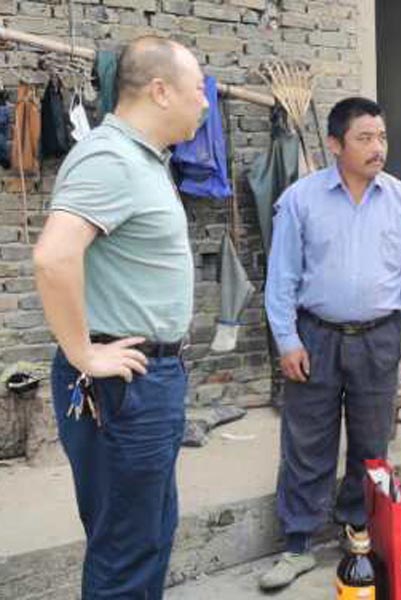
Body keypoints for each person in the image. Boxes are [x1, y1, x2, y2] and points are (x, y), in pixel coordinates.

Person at [33, 36, 207, 598]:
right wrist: (83, 352)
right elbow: (53, 257)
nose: (206, 102)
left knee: (148, 534)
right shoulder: (109, 158)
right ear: (161, 91)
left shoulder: (144, 160)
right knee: (127, 549)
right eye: (198, 89)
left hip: (147, 380)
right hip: (122, 387)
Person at [260, 96, 401, 591]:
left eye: (381, 137)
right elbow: (281, 277)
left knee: (371, 443)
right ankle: (297, 543)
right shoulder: (301, 200)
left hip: (380, 338)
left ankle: (357, 531)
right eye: (364, 138)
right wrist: (287, 340)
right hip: (315, 336)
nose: (377, 147)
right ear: (336, 144)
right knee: (306, 441)